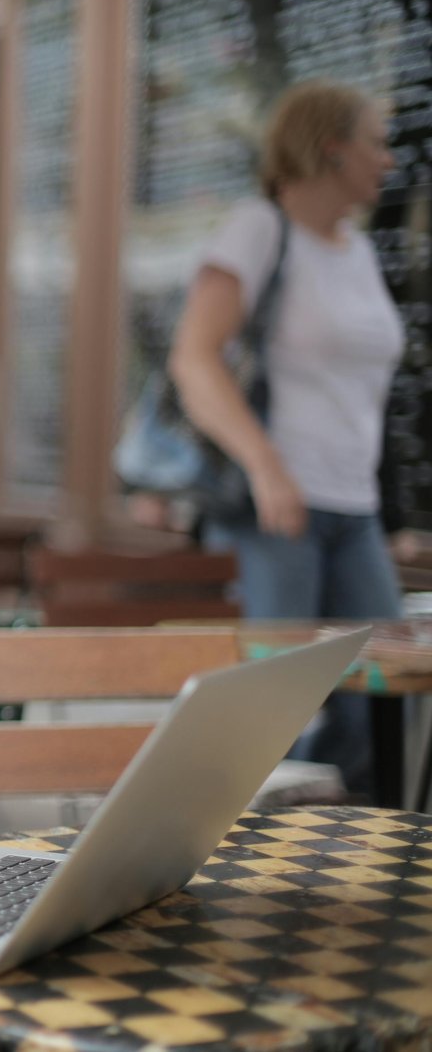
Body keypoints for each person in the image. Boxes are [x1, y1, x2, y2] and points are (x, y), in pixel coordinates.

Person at [168, 79, 405, 796]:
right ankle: (248, 883)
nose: (389, 161)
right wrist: (268, 466)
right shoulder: (258, 228)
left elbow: (361, 395)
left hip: (354, 510)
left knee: (379, 703)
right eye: (376, 142)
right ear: (332, 149)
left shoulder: (357, 252)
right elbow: (193, 358)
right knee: (279, 719)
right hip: (276, 512)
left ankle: (355, 883)